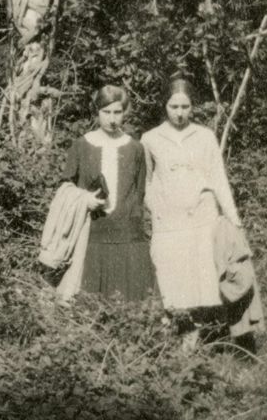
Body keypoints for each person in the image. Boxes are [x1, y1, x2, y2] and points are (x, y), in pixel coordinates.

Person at [141, 77, 242, 340]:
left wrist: (233, 217)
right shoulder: (151, 138)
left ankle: (194, 342)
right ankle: (167, 340)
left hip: (202, 218)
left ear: (192, 106)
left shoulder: (205, 136)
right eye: (174, 106)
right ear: (165, 106)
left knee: (200, 282)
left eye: (185, 106)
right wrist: (155, 207)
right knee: (169, 277)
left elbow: (218, 178)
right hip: (169, 222)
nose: (179, 113)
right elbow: (146, 181)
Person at [59, 84, 154, 301]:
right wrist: (84, 199)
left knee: (132, 300)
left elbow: (139, 192)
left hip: (128, 234)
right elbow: (65, 187)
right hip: (92, 232)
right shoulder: (81, 146)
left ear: (125, 112)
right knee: (92, 301)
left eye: (117, 112)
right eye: (106, 112)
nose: (112, 118)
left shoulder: (135, 148)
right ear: (96, 112)